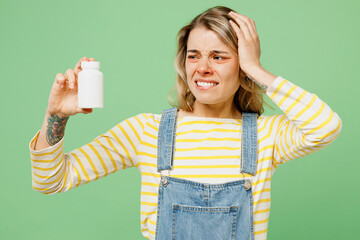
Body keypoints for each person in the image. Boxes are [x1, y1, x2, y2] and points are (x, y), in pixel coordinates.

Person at [29, 5, 342, 240]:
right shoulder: (146, 132)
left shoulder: (265, 135)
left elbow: (325, 126)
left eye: (218, 56)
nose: (202, 68)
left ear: (242, 66)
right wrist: (55, 116)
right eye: (194, 56)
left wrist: (256, 69)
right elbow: (51, 181)